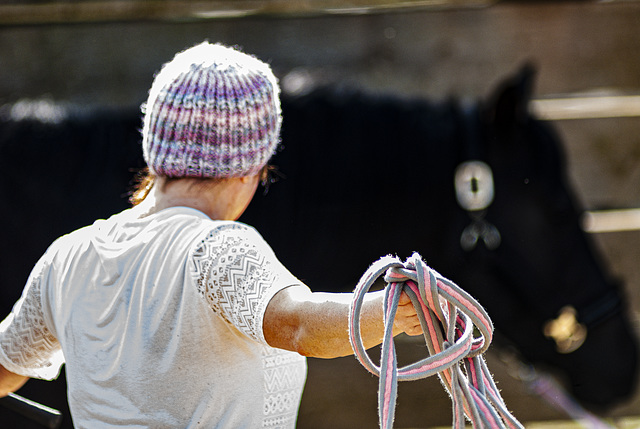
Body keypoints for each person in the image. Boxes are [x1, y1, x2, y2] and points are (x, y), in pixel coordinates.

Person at [0, 42, 422, 428]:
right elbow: (298, 324)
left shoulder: (67, 257)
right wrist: (392, 310)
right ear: (251, 167)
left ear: (156, 147)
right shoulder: (219, 250)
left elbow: (5, 368)